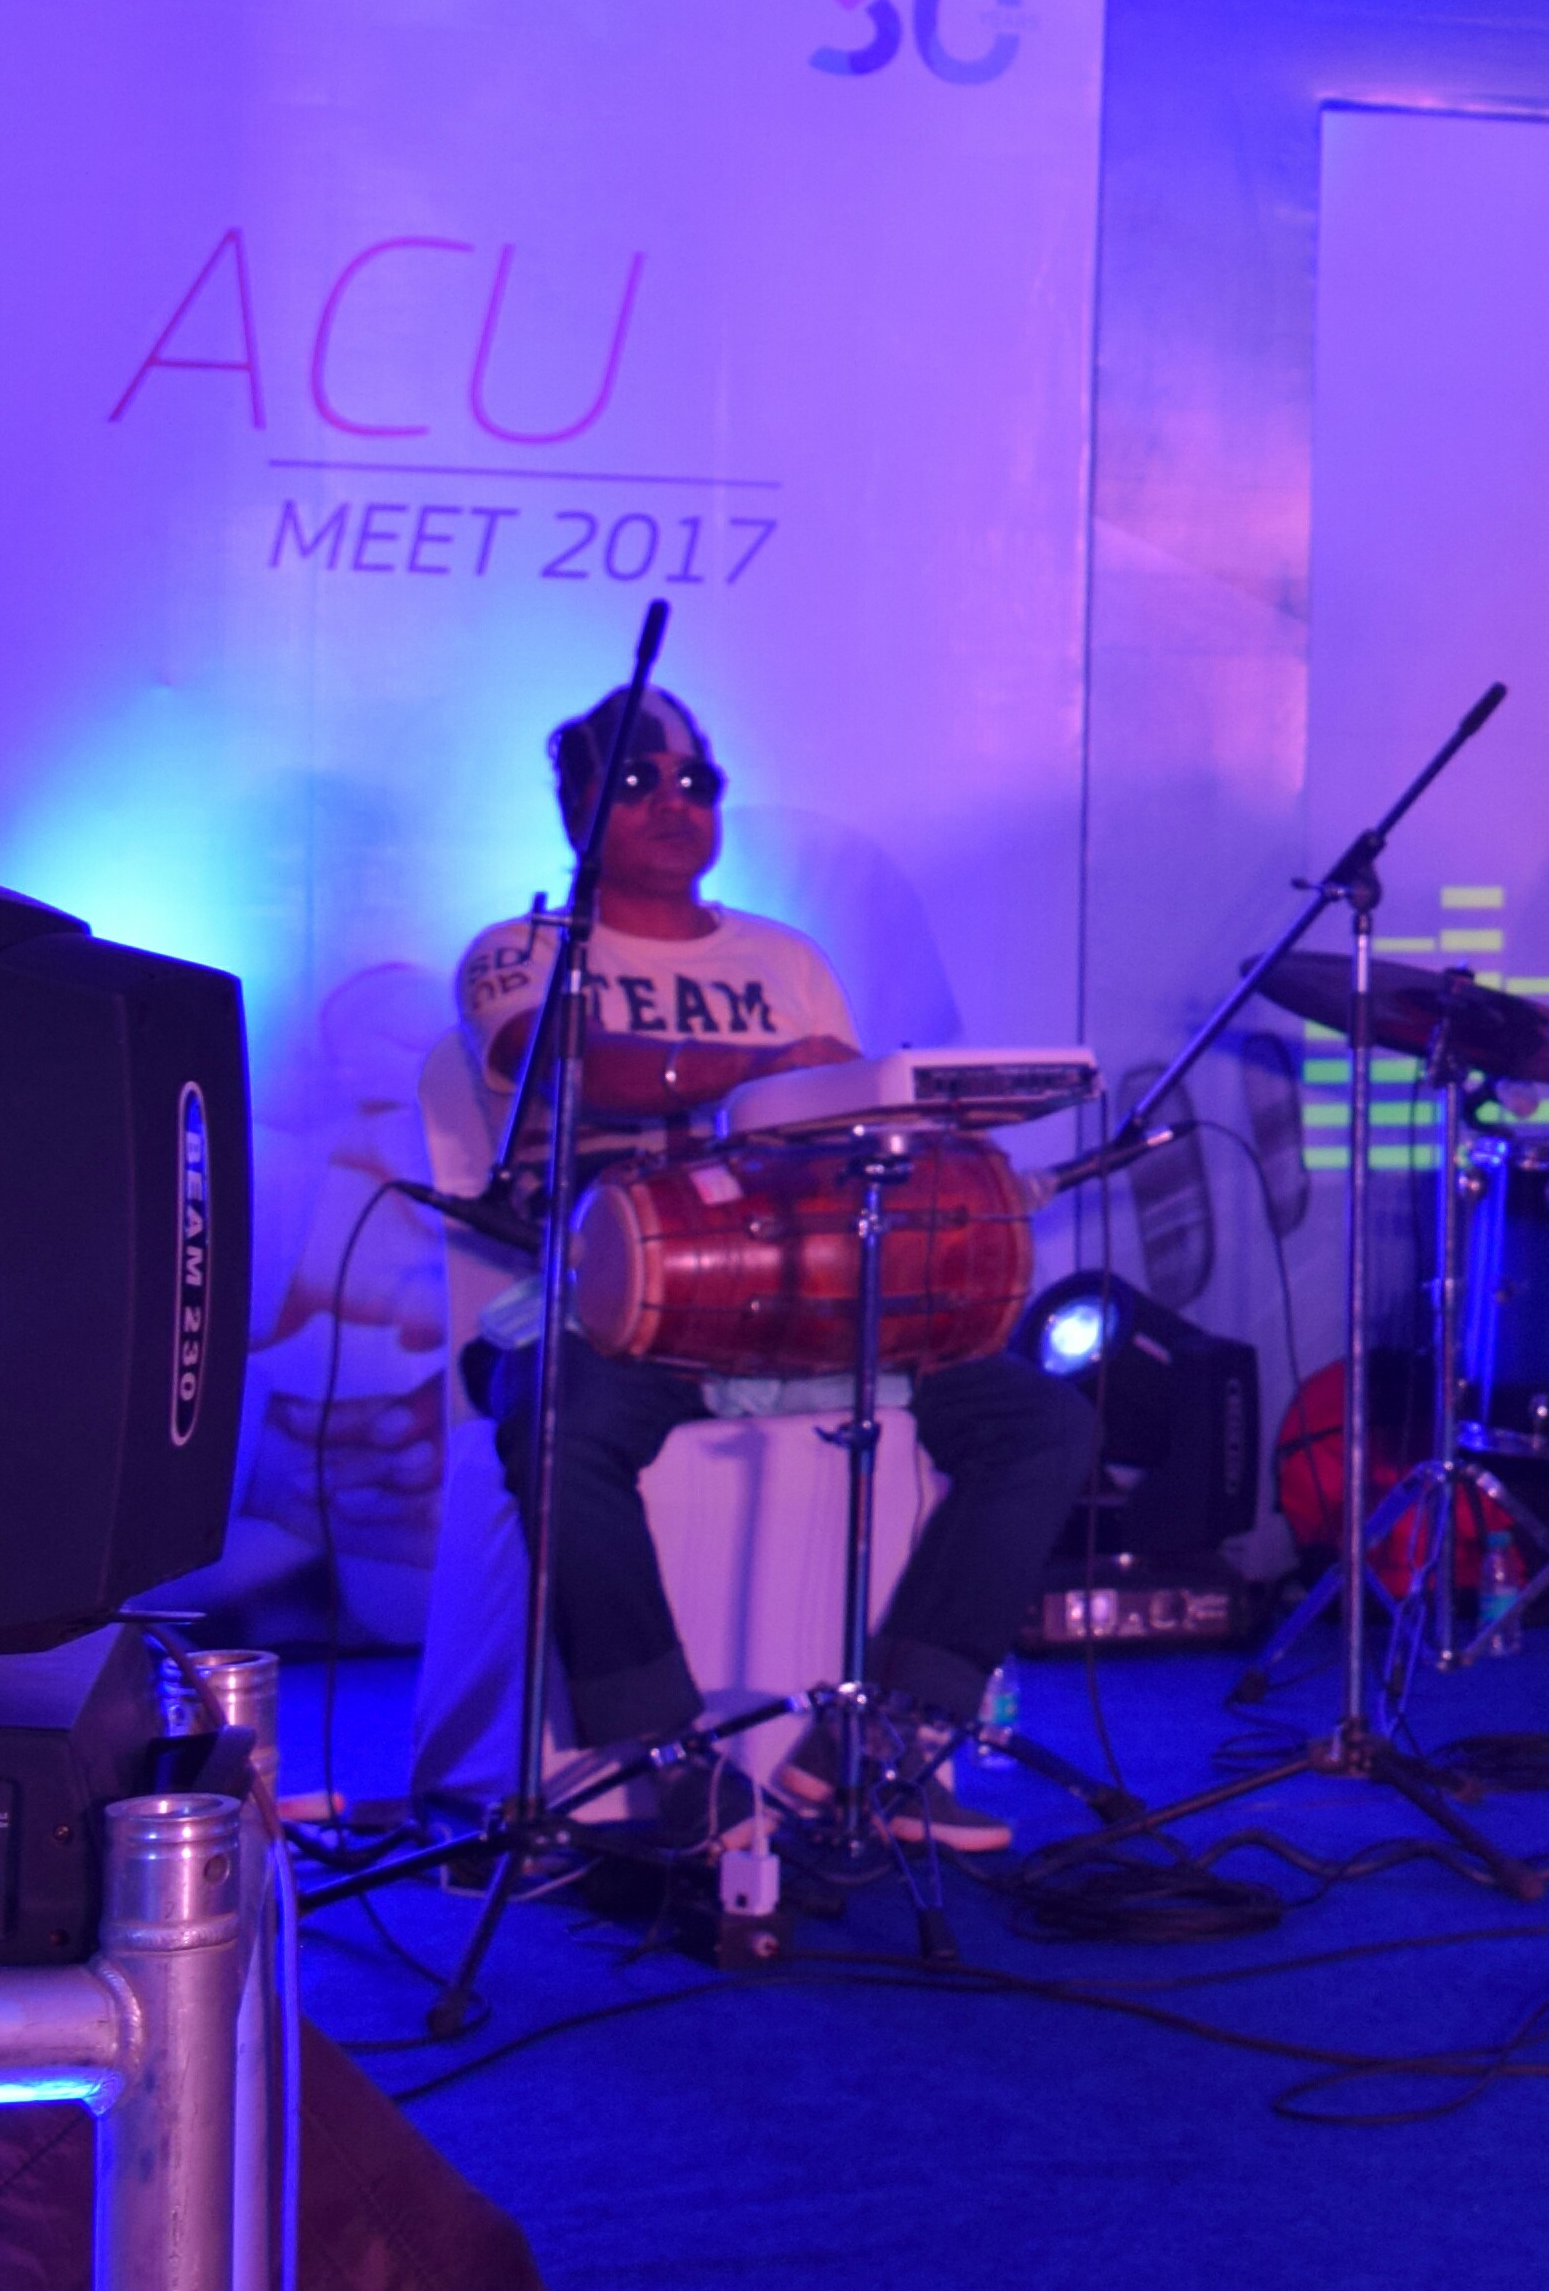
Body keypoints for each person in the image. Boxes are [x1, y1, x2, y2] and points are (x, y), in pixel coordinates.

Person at [441, 687, 1100, 1849]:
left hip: (805, 1305)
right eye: (637, 782)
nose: (674, 803)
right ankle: (668, 1756)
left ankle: (886, 1734)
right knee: (555, 1426)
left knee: (1043, 1422)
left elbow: (845, 1120)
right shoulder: (525, 950)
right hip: (613, 1312)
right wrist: (758, 1067)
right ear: (576, 805)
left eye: (696, 784)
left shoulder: (787, 959)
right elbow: (554, 1060)